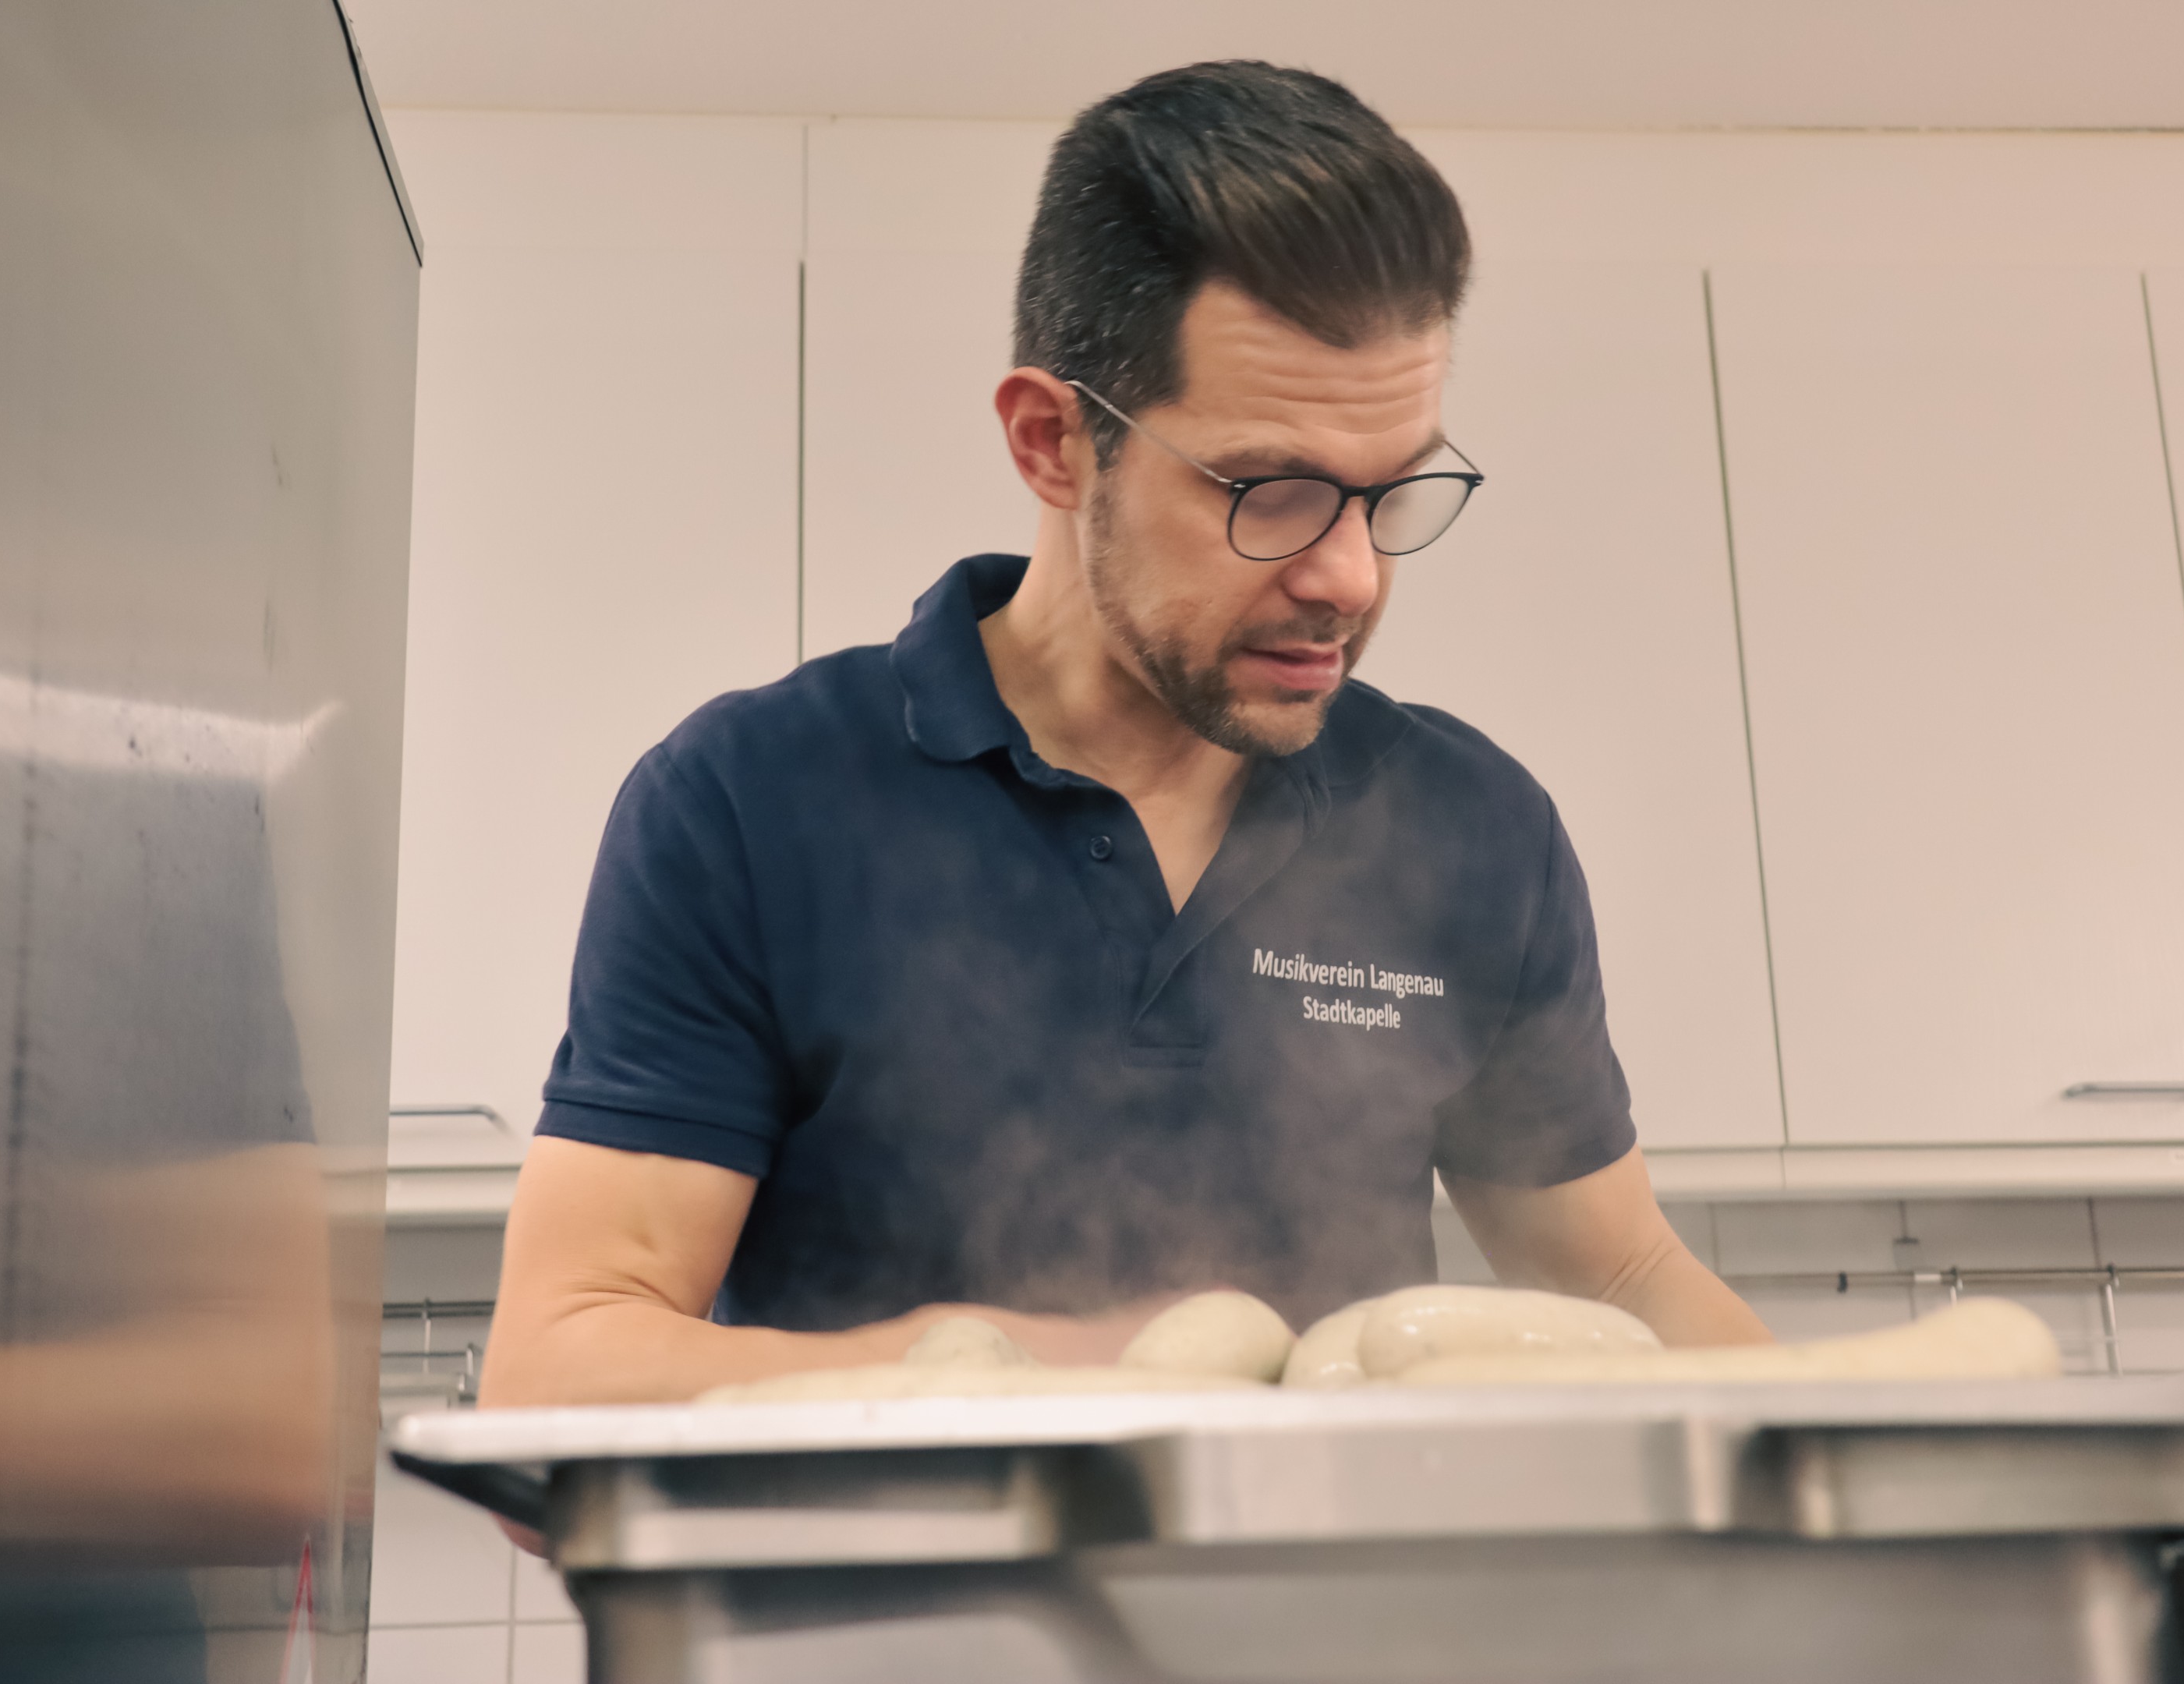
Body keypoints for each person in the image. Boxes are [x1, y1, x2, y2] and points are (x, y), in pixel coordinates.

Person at [480, 61, 1770, 1411]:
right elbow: (558, 1370)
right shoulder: (748, 804)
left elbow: (1625, 1282)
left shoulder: (1471, 831)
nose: (1351, 579)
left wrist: (1853, 1451)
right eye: (1272, 491)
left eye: (1392, 494)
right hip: (887, 1563)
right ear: (1053, 443)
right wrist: (1055, 1370)